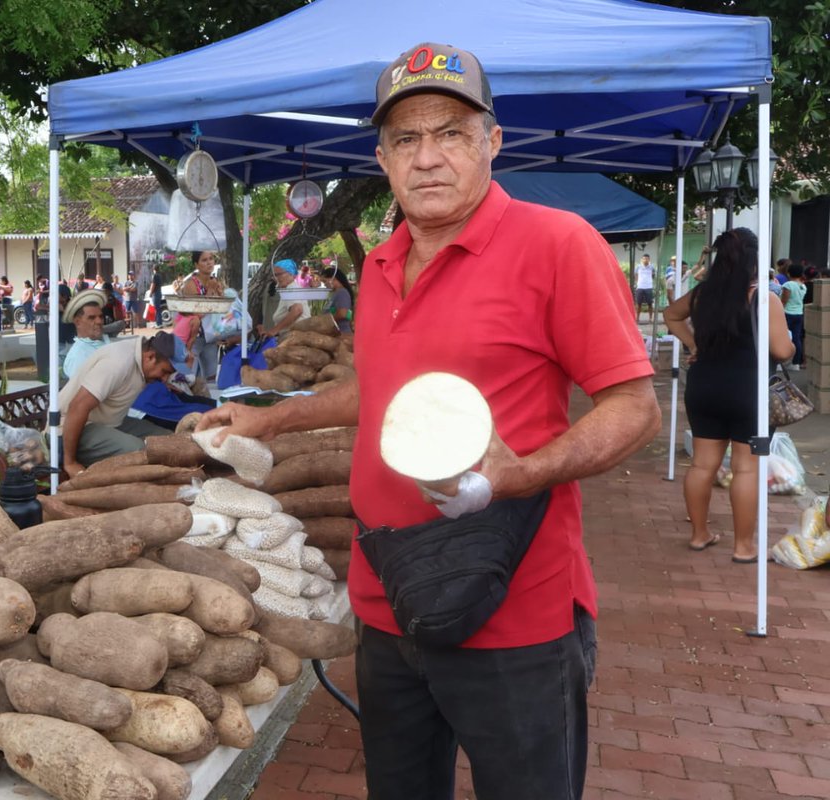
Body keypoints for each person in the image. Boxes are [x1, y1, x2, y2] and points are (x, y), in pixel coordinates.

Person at [195, 41, 659, 800]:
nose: (429, 156)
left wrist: (522, 474)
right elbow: (379, 388)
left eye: (451, 132)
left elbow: (635, 407)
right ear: (382, 158)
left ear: (492, 142)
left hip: (516, 606)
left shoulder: (559, 245)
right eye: (407, 139)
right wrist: (271, 422)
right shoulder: (380, 264)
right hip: (388, 598)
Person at [664, 228, 794, 562]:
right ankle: (744, 546)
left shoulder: (704, 294)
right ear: (754, 260)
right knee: (746, 469)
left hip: (704, 387)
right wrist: (792, 344)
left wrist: (693, 344)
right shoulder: (765, 299)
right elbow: (781, 350)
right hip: (747, 392)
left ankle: (698, 535)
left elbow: (671, 315)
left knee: (702, 464)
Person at [59, 331, 177, 477]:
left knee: (170, 440)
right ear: (150, 356)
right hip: (70, 428)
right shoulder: (118, 362)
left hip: (109, 423)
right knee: (139, 451)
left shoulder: (139, 357)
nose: (165, 379)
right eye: (164, 371)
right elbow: (77, 406)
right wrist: (69, 462)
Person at [177, 250, 225, 381]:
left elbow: (221, 308)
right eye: (204, 260)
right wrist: (210, 290)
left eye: (211, 259)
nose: (209, 262)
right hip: (194, 336)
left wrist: (220, 293)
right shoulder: (192, 284)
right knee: (189, 375)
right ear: (196, 265)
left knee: (212, 375)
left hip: (210, 335)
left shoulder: (214, 281)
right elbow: (199, 313)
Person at [62, 289, 111, 378]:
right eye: (92, 318)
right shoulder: (78, 356)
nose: (99, 321)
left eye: (100, 316)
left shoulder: (104, 343)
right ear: (77, 322)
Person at [261, 259, 309, 338]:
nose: (276, 278)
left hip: (296, 337)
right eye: (275, 275)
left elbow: (297, 310)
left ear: (290, 273)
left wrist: (274, 330)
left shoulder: (292, 288)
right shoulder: (288, 289)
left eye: (279, 274)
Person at [781, 263, 807, 368]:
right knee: (796, 338)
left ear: (789, 272)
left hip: (787, 313)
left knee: (783, 336)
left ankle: (782, 361)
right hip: (799, 314)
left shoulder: (788, 285)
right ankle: (796, 363)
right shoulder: (803, 286)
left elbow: (784, 301)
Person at [321, 266, 354, 332]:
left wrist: (325, 322)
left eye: (325, 281)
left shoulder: (342, 292)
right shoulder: (335, 294)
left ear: (333, 279)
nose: (324, 284)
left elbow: (343, 313)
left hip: (341, 333)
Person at [634, 253, 655, 322]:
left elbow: (653, 275)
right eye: (644, 259)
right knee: (638, 303)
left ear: (649, 259)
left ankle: (650, 318)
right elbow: (636, 275)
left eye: (647, 259)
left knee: (650, 303)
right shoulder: (638, 266)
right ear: (642, 259)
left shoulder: (652, 267)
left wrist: (649, 281)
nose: (646, 260)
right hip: (640, 287)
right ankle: (637, 318)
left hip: (648, 287)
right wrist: (638, 283)